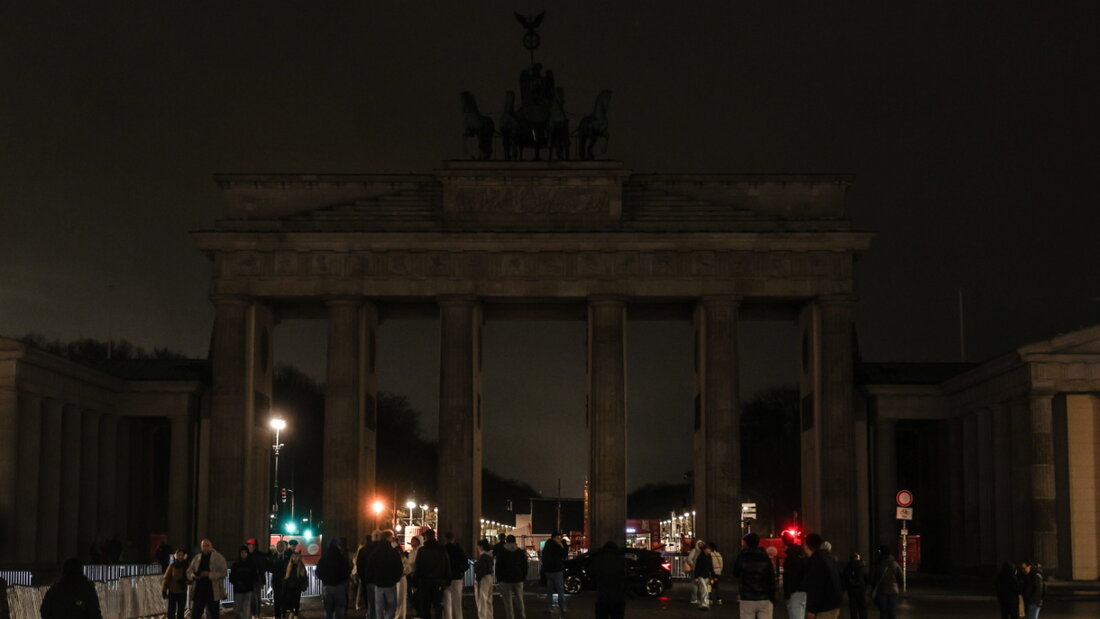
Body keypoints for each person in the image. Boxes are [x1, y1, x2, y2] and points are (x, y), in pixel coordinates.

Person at [731, 533, 775, 618]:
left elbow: (735, 573)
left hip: (747, 596)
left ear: (746, 543)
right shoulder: (765, 557)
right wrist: (772, 596)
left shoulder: (742, 556)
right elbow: (771, 577)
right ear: (758, 543)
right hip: (764, 596)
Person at [802, 534, 841, 619]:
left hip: (824, 607)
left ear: (806, 546)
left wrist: (812, 610)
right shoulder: (828, 558)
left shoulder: (816, 561)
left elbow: (816, 587)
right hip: (833, 604)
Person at [367, 531, 405, 619]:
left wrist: (372, 579)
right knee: (391, 606)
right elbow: (399, 567)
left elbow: (370, 568)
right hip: (390, 583)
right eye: (391, 537)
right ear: (388, 538)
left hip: (378, 583)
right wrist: (396, 578)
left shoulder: (375, 552)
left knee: (379, 607)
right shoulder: (393, 552)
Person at [414, 529, 452, 619]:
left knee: (425, 605)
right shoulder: (442, 549)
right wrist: (448, 581)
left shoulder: (422, 550)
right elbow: (447, 565)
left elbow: (418, 567)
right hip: (438, 581)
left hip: (424, 581)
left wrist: (414, 583)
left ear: (426, 537)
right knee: (437, 604)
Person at [188, 539, 229, 619]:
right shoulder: (197, 558)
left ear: (211, 546)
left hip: (212, 591)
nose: (205, 548)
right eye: (204, 546)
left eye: (207, 546)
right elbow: (189, 571)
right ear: (201, 547)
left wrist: (209, 574)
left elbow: (223, 572)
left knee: (213, 614)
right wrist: (193, 576)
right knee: (195, 614)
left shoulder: (219, 558)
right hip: (199, 590)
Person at [588, 541, 626, 619]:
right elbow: (625, 574)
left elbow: (592, 573)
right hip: (617, 596)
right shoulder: (620, 558)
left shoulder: (599, 558)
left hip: (602, 595)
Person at [317, 539, 352, 619]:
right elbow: (347, 570)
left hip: (328, 587)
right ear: (338, 546)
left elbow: (318, 572)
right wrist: (344, 580)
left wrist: (324, 579)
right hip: (340, 586)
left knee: (328, 611)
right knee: (339, 610)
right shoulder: (342, 558)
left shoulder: (324, 558)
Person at [495, 535, 527, 619]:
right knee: (520, 599)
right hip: (518, 578)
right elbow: (525, 566)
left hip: (505, 579)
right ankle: (522, 615)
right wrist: (523, 577)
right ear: (515, 541)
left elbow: (498, 566)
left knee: (508, 601)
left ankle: (510, 617)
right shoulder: (520, 551)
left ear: (506, 541)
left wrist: (499, 578)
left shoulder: (502, 552)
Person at [358, 531, 387, 619]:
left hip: (369, 580)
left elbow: (360, 566)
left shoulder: (363, 550)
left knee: (370, 602)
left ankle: (370, 615)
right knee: (381, 603)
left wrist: (363, 578)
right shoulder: (384, 550)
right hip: (381, 580)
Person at [868, 545, 901, 619]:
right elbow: (900, 576)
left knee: (883, 612)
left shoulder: (877, 564)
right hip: (893, 590)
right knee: (892, 612)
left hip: (881, 590)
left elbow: (871, 578)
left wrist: (874, 585)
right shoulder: (894, 564)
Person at [443, 532, 469, 619]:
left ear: (445, 539)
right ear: (453, 539)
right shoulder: (458, 549)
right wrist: (460, 571)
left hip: (446, 579)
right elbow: (466, 564)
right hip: (457, 577)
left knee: (447, 602)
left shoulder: (443, 549)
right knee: (457, 601)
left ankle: (448, 617)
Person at [540, 531, 568, 614]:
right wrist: (563, 546)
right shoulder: (557, 547)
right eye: (559, 538)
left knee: (549, 592)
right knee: (560, 591)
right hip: (557, 571)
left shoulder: (546, 547)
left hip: (548, 572)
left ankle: (550, 608)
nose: (559, 540)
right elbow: (564, 555)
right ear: (555, 538)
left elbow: (544, 559)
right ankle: (563, 608)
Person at [231, 546, 260, 619]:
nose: (243, 554)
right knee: (237, 608)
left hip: (248, 589)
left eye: (245, 552)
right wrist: (236, 583)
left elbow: (255, 576)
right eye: (242, 552)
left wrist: (250, 584)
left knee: (246, 608)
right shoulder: (235, 564)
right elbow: (232, 576)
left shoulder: (252, 564)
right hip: (238, 590)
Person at [782, 534, 807, 619]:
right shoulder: (801, 553)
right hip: (802, 590)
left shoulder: (791, 556)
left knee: (795, 615)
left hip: (794, 591)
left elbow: (790, 575)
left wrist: (787, 592)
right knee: (800, 614)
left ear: (784, 544)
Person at [162, 549, 190, 619]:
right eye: (179, 555)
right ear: (176, 556)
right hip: (172, 591)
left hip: (182, 591)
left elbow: (191, 578)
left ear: (184, 556)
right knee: (171, 611)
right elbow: (166, 578)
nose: (180, 557)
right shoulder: (172, 566)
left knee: (181, 611)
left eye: (182, 555)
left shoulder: (187, 566)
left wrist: (185, 581)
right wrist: (164, 590)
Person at [842, 552, 869, 619]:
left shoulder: (848, 567)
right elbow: (867, 578)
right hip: (860, 589)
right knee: (862, 607)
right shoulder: (862, 566)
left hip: (851, 590)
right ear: (857, 558)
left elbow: (844, 577)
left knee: (853, 608)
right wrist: (865, 587)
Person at [283, 551, 309, 618]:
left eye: (297, 557)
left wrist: (303, 586)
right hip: (290, 586)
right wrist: (285, 585)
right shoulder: (289, 565)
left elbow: (304, 577)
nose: (295, 558)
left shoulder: (301, 566)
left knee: (296, 601)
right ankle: (292, 612)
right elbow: (286, 577)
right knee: (290, 601)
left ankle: (296, 614)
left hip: (297, 587)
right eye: (294, 557)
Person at [473, 540, 494, 619]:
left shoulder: (482, 557)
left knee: (481, 600)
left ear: (481, 546)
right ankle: (489, 616)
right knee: (488, 600)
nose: (477, 548)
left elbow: (481, 570)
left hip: (483, 579)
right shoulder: (489, 556)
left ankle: (482, 617)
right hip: (489, 577)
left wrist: (477, 580)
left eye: (478, 546)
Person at [270, 541, 290, 619]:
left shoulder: (287, 557)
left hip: (284, 581)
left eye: (281, 546)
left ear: (284, 547)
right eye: (278, 546)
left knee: (284, 598)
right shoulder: (274, 556)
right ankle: (277, 615)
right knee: (276, 599)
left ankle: (283, 613)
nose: (280, 547)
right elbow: (271, 567)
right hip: (276, 580)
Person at [693, 542, 715, 610]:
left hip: (707, 576)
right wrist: (696, 576)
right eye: (708, 549)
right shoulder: (700, 557)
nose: (709, 550)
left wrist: (713, 576)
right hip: (701, 576)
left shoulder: (709, 557)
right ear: (704, 550)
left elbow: (711, 567)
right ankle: (704, 604)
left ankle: (702, 604)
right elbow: (697, 567)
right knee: (705, 590)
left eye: (709, 549)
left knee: (704, 591)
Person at [685, 540, 705, 604]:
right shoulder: (694, 550)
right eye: (700, 544)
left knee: (700, 585)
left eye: (702, 543)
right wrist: (693, 565)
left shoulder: (702, 551)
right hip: (695, 569)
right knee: (694, 584)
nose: (701, 545)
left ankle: (698, 598)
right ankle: (694, 599)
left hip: (701, 570)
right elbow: (689, 559)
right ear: (697, 544)